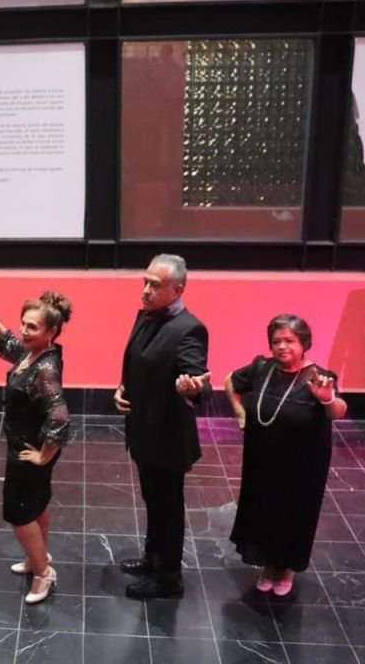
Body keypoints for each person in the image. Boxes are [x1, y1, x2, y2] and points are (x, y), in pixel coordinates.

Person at [226, 314, 347, 596]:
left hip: (303, 464)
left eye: (289, 341)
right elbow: (230, 381)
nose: (282, 346)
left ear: (304, 344)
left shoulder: (318, 375)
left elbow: (338, 412)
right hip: (263, 458)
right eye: (276, 341)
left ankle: (287, 569)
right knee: (264, 510)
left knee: (294, 514)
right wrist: (241, 414)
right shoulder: (262, 367)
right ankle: (268, 565)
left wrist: (326, 397)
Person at [114, 254, 211, 600]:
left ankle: (169, 578)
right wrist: (122, 388)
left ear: (178, 289)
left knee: (168, 508)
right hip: (144, 432)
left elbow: (197, 378)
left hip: (167, 439)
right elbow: (139, 363)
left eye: (155, 285)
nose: (146, 290)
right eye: (145, 281)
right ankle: (153, 557)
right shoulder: (146, 315)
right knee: (153, 500)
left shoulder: (189, 329)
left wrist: (191, 389)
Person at [0, 286, 71, 605]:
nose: (23, 331)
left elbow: (59, 416)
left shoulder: (44, 368)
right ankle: (36, 557)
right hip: (25, 446)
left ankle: (43, 572)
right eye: (24, 323)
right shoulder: (33, 353)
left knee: (19, 513)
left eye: (32, 326)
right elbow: (5, 343)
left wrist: (43, 456)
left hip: (27, 451)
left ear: (51, 332)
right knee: (37, 505)